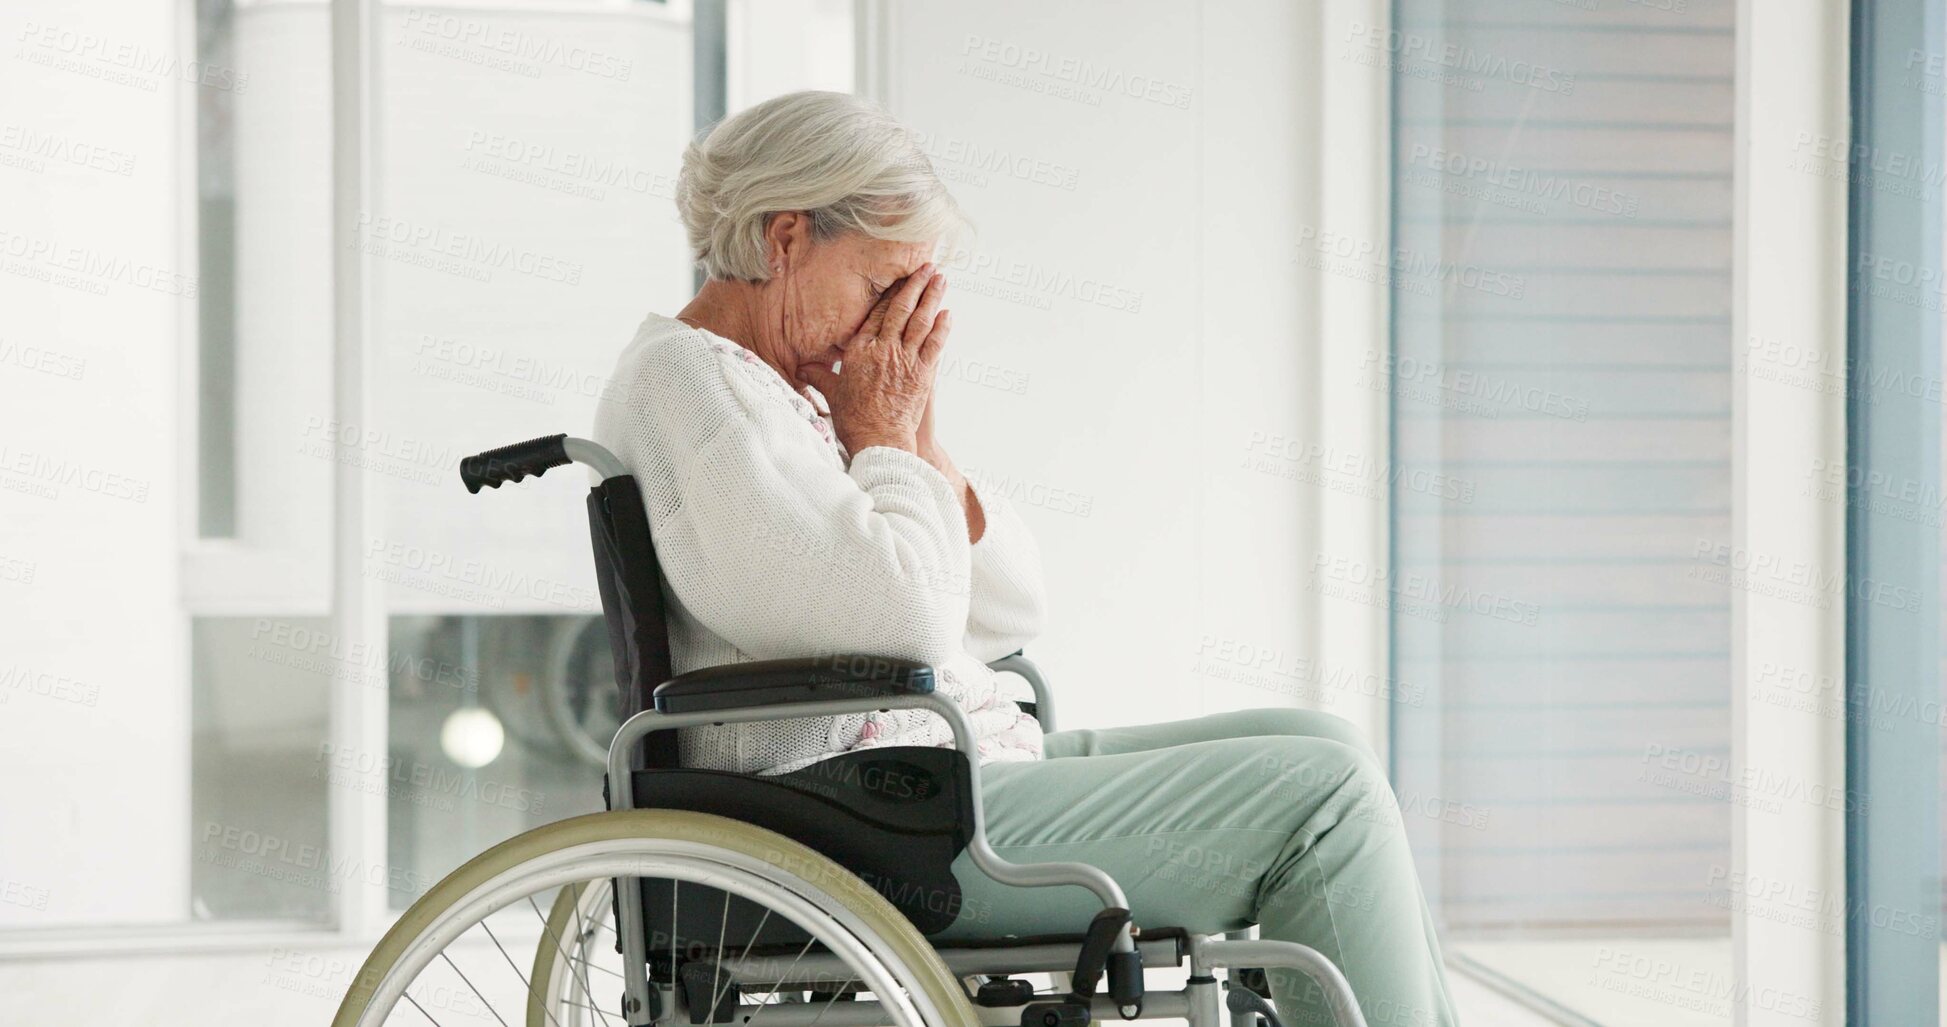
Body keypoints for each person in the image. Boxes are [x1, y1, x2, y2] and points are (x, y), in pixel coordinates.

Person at [592, 89, 1457, 1027]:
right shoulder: (692, 386)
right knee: (1324, 800)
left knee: (1324, 743)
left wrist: (914, 437)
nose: (896, 324)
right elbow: (903, 619)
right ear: (785, 239)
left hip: (928, 776)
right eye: (883, 287)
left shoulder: (777, 390)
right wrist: (879, 434)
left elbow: (1008, 608)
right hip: (871, 816)